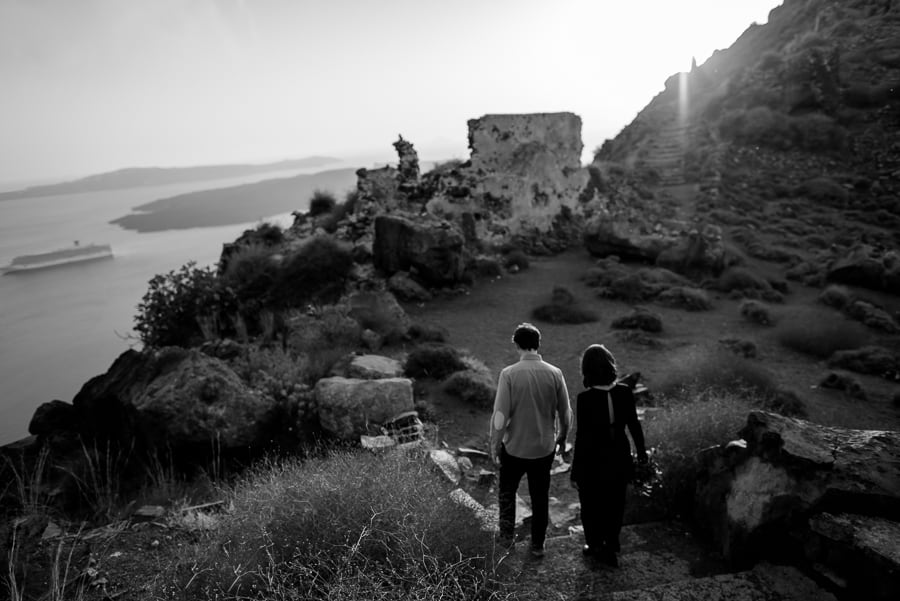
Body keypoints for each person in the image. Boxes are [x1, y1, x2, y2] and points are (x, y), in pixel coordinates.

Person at [490, 322, 572, 558]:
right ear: (538, 344)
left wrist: (495, 443)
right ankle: (538, 544)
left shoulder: (508, 374)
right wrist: (563, 436)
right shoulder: (555, 373)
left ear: (516, 344)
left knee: (507, 493)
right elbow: (565, 411)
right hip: (543, 448)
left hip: (514, 447)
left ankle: (506, 539)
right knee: (540, 496)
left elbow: (500, 415)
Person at [571, 344, 647, 567]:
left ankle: (594, 544)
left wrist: (576, 470)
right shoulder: (624, 392)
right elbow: (634, 426)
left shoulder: (584, 399)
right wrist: (641, 453)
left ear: (587, 370)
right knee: (615, 503)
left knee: (591, 505)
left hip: (593, 460)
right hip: (619, 456)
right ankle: (612, 544)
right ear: (609, 365)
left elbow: (582, 438)